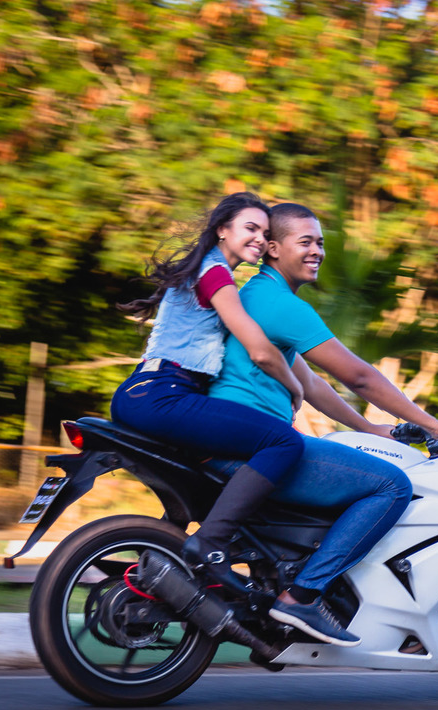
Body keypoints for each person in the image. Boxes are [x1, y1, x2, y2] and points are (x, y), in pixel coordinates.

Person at [207, 201, 438, 647]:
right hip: (252, 446)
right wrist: (431, 425)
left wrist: (368, 428)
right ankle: (302, 597)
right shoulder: (281, 304)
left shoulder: (259, 295)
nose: (317, 251)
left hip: (240, 440)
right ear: (272, 247)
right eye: (305, 241)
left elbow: (312, 383)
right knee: (390, 487)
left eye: (321, 243)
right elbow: (359, 375)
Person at [112, 192, 306, 594]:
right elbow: (259, 350)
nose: (259, 239)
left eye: (265, 233)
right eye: (250, 228)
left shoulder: (207, 271)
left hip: (143, 392)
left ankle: (158, 570)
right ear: (222, 229)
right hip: (164, 395)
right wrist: (295, 386)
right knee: (283, 442)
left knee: (194, 486)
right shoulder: (216, 274)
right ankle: (212, 544)